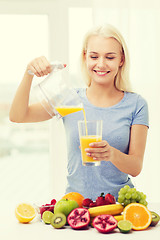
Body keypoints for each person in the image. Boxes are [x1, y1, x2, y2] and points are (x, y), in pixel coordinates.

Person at [9, 24, 149, 200]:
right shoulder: (70, 100)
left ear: (121, 60)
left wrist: (111, 153)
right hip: (76, 206)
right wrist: (28, 73)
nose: (101, 64)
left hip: (119, 206)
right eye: (94, 56)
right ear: (85, 57)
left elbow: (136, 167)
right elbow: (17, 116)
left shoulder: (135, 104)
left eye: (110, 57)